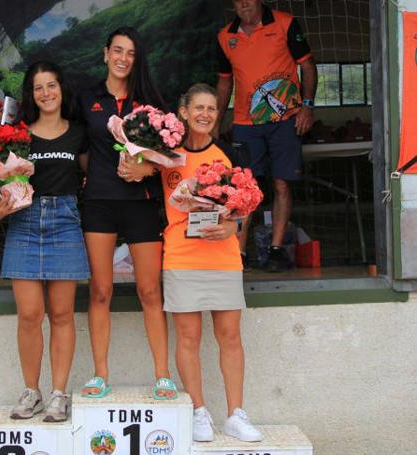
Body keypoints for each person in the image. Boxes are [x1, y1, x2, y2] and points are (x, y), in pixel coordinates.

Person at [76, 26, 177, 400]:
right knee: (100, 291)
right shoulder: (88, 98)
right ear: (105, 54)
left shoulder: (149, 101)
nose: (123, 58)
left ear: (137, 59)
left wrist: (146, 170)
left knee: (150, 290)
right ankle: (100, 375)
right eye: (117, 51)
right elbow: (80, 148)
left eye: (130, 53)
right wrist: (95, 176)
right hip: (99, 203)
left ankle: (163, 375)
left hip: (142, 204)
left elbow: (169, 154)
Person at [0, 61, 89, 422]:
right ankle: (32, 391)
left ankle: (60, 394)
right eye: (38, 87)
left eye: (52, 85)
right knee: (30, 315)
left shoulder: (79, 133)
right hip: (25, 223)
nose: (46, 93)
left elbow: (94, 177)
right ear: (30, 95)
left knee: (61, 314)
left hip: (65, 220)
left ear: (62, 88)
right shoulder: (16, 136)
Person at [161, 83, 263, 442]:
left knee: (230, 336)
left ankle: (236, 414)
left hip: (222, 258)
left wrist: (233, 226)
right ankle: (198, 412)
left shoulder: (228, 154)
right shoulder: (165, 156)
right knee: (188, 337)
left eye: (212, 109)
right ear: (184, 112)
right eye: (198, 108)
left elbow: (244, 206)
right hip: (181, 256)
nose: (205, 114)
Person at [215, 0, 317, 272]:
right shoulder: (225, 36)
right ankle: (239, 252)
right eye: (238, 0)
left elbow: (307, 65)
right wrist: (216, 120)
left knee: (282, 184)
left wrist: (307, 107)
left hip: (285, 120)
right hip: (245, 124)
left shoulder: (285, 22)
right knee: (245, 188)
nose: (244, 3)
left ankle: (276, 248)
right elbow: (225, 81)